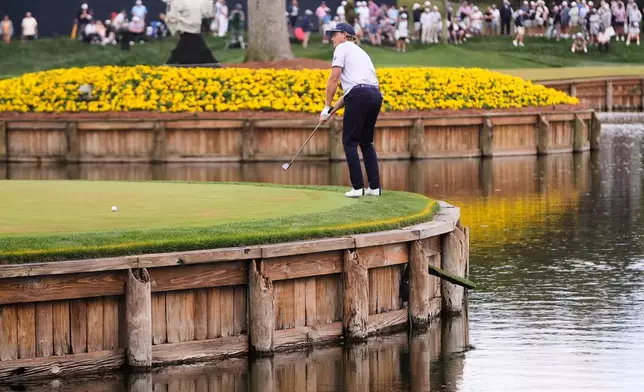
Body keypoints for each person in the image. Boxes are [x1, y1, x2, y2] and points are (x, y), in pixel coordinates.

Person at [320, 22, 382, 198]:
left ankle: (357, 188)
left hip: (360, 95)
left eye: (335, 34)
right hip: (374, 95)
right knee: (366, 142)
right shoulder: (361, 52)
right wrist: (330, 112)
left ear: (346, 35)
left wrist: (325, 106)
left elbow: (334, 79)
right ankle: (375, 187)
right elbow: (351, 93)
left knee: (349, 142)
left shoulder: (342, 48)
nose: (332, 38)